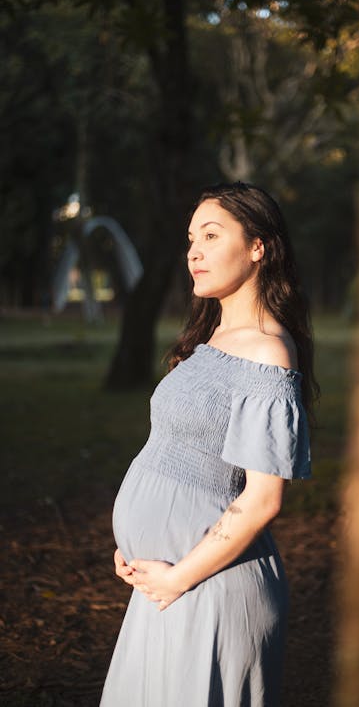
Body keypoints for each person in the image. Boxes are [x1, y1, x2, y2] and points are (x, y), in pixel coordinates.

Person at [100, 182, 318, 707]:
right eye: (190, 238)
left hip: (211, 589)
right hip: (167, 586)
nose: (193, 250)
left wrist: (179, 578)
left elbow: (263, 500)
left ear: (258, 247)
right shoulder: (212, 339)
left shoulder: (267, 353)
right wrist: (137, 551)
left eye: (212, 235)